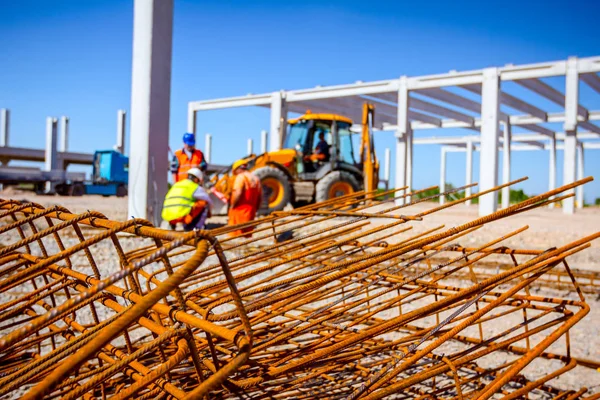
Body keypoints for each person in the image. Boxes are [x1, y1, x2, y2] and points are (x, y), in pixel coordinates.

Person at [228, 160, 262, 238]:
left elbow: (238, 193)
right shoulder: (256, 178)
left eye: (235, 172)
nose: (235, 174)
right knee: (247, 236)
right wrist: (255, 209)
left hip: (239, 211)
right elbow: (260, 197)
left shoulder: (241, 177)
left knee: (236, 236)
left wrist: (232, 206)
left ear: (238, 169)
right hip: (251, 211)